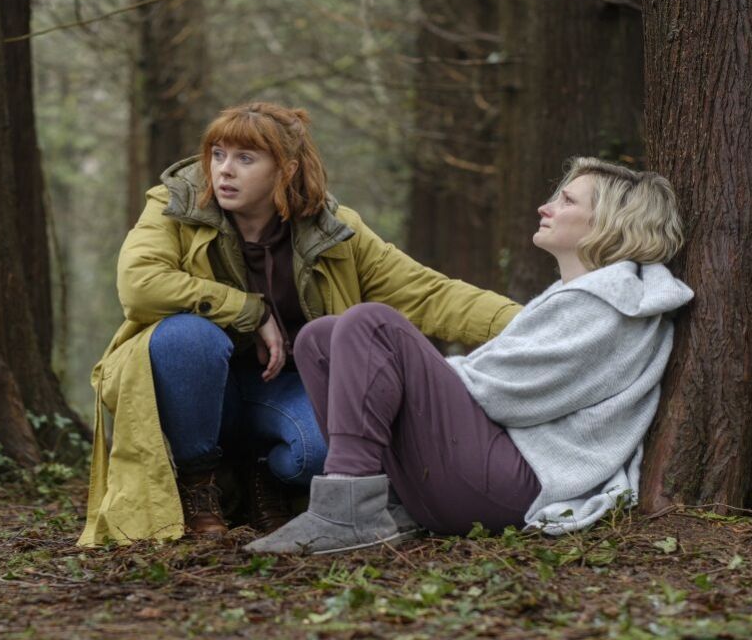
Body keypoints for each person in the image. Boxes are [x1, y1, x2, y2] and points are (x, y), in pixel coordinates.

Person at [79, 102, 520, 546]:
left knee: (324, 454)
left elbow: (428, 294)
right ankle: (200, 485)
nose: (224, 170)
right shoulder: (176, 204)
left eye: (245, 158)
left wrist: (533, 322)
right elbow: (140, 283)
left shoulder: (334, 231)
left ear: (285, 170)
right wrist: (250, 311)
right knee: (186, 339)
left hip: (285, 389)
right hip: (201, 385)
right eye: (218, 154)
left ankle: (262, 477)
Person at [245, 157, 692, 555]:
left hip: (517, 483)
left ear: (608, 224)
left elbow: (504, 395)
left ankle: (346, 508)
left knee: (372, 323)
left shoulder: (606, 306)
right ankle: (381, 505)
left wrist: (417, 370)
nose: (546, 207)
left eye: (567, 201)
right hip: (486, 476)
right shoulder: (592, 298)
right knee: (321, 337)